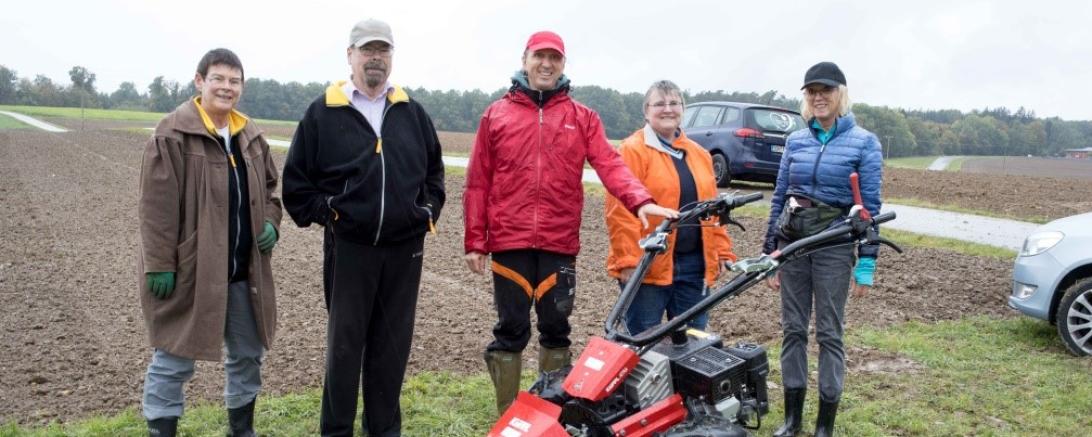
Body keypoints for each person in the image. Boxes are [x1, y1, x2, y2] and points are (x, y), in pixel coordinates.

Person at [463, 30, 678, 414]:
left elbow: (610, 165)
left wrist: (640, 200)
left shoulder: (582, 118)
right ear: (525, 58)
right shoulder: (496, 114)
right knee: (510, 331)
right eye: (540, 56)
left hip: (558, 243)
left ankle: (552, 413)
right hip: (509, 243)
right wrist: (475, 241)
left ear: (563, 64)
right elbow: (478, 182)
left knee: (556, 330)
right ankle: (510, 415)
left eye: (555, 58)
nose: (546, 64)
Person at [281, 18, 445, 437]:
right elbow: (297, 189)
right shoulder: (322, 112)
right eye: (367, 50)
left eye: (383, 50)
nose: (376, 58)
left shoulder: (412, 112)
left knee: (391, 350)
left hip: (404, 252)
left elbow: (434, 175)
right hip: (350, 250)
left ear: (391, 57)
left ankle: (384, 431)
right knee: (344, 351)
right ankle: (336, 431)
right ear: (350, 55)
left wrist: (424, 211)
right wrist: (333, 212)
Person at [138, 48, 282, 437]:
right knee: (174, 357)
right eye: (218, 78)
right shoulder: (172, 134)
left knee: (248, 355)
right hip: (192, 271)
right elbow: (156, 207)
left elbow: (271, 190)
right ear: (199, 81)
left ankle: (242, 430)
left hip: (242, 271)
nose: (226, 87)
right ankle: (161, 430)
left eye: (234, 81)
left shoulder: (250, 135)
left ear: (242, 87)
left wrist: (271, 221)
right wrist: (159, 264)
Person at [763, 62, 883, 437]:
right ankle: (792, 419)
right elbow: (780, 197)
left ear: (840, 95)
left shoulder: (864, 142)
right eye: (811, 91)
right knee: (793, 330)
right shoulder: (796, 141)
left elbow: (870, 208)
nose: (818, 97)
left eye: (825, 90)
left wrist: (866, 262)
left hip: (833, 246)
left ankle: (824, 426)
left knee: (829, 333)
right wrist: (772, 253)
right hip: (794, 244)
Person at [605, 80, 737, 335]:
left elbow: (713, 209)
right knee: (645, 345)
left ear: (682, 109)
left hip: (693, 267)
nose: (668, 109)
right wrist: (630, 261)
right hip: (649, 266)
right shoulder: (632, 151)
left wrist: (720, 251)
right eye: (659, 104)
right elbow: (620, 213)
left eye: (674, 103)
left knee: (692, 344)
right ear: (646, 111)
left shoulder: (699, 154)